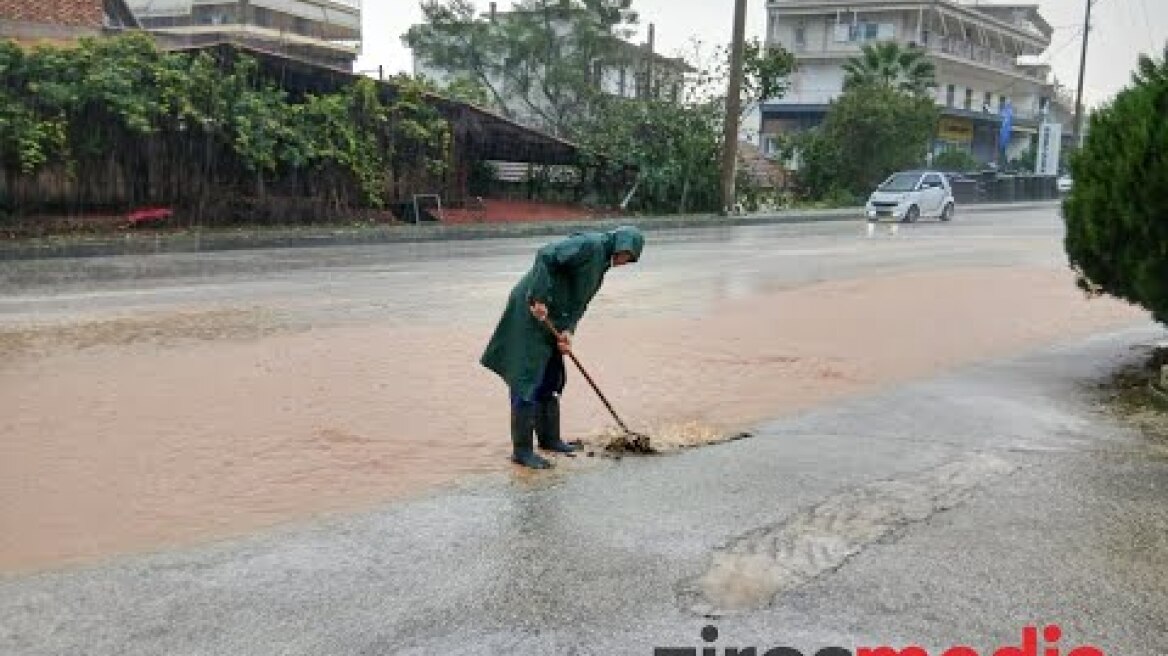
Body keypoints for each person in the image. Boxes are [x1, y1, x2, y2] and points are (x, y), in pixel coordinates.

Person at [480, 226, 645, 469]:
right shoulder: (591, 245)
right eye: (627, 256)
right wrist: (538, 297)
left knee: (552, 377)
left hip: (554, 319)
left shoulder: (601, 265)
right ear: (621, 245)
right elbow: (546, 254)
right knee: (527, 378)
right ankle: (522, 451)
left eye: (630, 260)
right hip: (531, 312)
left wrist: (568, 332)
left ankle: (550, 440)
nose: (624, 262)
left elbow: (580, 303)